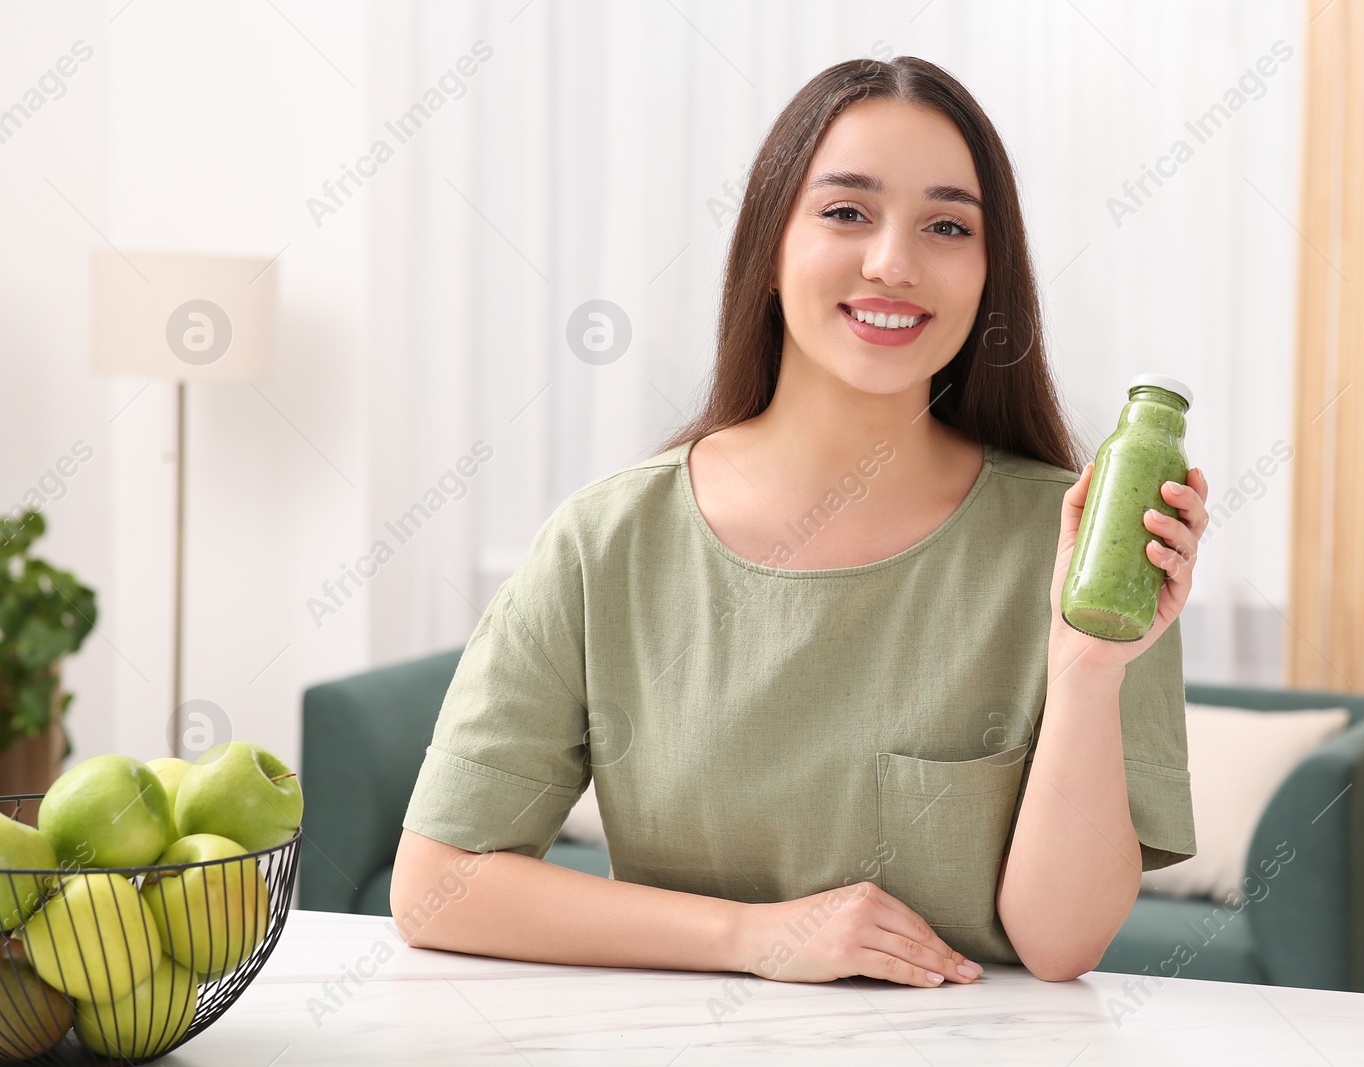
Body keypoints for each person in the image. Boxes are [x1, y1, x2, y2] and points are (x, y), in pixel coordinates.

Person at [392, 55, 1210, 987]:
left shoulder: (1080, 550)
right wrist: (755, 937)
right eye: (846, 211)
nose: (893, 263)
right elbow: (435, 885)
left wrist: (1088, 669)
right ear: (769, 251)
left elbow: (1061, 946)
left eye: (948, 225)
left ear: (991, 275)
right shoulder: (605, 542)